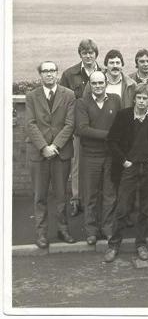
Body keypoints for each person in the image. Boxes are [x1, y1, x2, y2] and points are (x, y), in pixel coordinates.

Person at [104, 84, 148, 262]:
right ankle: (114, 245)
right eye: (139, 98)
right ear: (134, 99)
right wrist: (124, 161)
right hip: (129, 168)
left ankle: (141, 244)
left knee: (145, 209)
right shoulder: (124, 115)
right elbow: (112, 141)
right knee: (123, 207)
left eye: (145, 99)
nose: (141, 101)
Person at [26, 61, 76, 248]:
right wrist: (44, 147)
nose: (49, 74)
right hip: (39, 154)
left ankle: (63, 230)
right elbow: (30, 124)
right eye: (45, 71)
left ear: (57, 73)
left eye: (52, 71)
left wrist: (55, 146)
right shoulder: (32, 96)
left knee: (61, 194)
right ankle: (41, 234)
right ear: (40, 75)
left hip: (60, 153)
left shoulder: (68, 94)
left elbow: (70, 124)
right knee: (40, 195)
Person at [75, 71, 121, 244]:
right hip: (91, 156)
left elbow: (121, 123)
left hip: (110, 155)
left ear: (106, 83)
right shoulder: (82, 103)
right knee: (91, 194)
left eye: (101, 83)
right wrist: (110, 135)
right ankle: (91, 231)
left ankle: (108, 228)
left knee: (110, 194)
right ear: (90, 85)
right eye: (94, 83)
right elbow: (82, 129)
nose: (98, 86)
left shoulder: (115, 99)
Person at [60, 38, 102, 217]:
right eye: (85, 53)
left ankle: (95, 198)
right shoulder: (70, 74)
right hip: (78, 129)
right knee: (77, 164)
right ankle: (77, 199)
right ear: (80, 54)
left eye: (91, 52)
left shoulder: (103, 73)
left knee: (98, 164)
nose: (88, 56)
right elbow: (63, 102)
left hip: (99, 129)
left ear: (96, 54)